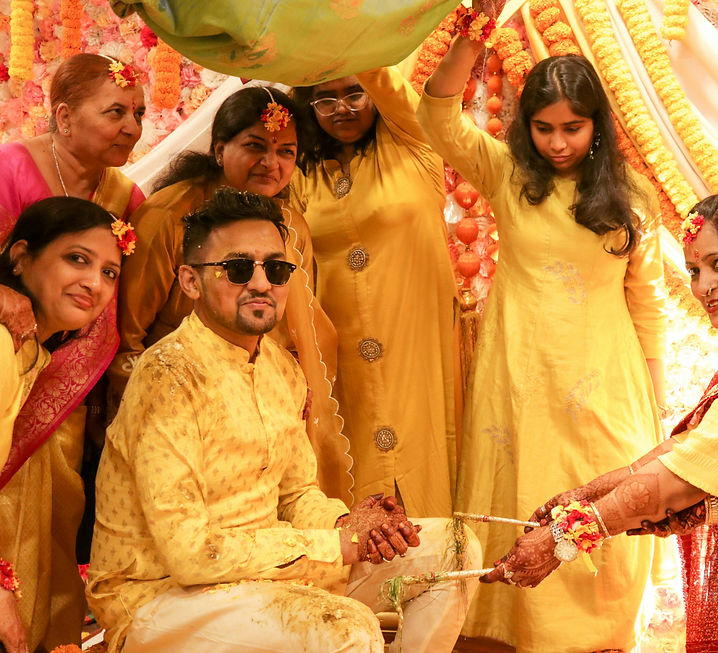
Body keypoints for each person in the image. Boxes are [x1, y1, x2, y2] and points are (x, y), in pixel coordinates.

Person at [88, 188, 480, 653]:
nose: (260, 284)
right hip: (161, 594)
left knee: (454, 547)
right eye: (237, 269)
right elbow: (189, 554)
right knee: (345, 627)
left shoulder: (280, 368)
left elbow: (295, 494)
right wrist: (338, 546)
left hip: (262, 572)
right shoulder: (168, 377)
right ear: (191, 282)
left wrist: (349, 524)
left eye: (275, 269)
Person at [480, 189, 718, 652]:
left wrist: (561, 539)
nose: (703, 286)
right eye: (694, 270)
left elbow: (694, 470)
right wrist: (584, 496)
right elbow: (698, 444)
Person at [418, 4, 669, 649]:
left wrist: (656, 396)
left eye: (574, 128)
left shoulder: (631, 197)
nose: (559, 143)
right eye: (545, 128)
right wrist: (471, 39)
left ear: (598, 127)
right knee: (517, 492)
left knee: (602, 507)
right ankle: (512, 631)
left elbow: (647, 302)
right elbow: (437, 115)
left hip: (604, 379)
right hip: (519, 374)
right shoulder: (508, 175)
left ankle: (601, 635)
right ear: (525, 128)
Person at [108, 86, 351, 500]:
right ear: (219, 150)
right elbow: (126, 340)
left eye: (287, 152)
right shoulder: (169, 218)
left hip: (265, 414)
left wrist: (291, 393)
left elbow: (297, 332)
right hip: (179, 413)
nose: (271, 164)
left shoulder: (291, 226)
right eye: (255, 146)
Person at [290, 65, 458, 518]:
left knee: (432, 490)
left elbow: (380, 73)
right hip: (342, 360)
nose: (341, 109)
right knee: (360, 496)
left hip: (416, 346)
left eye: (354, 95)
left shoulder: (412, 141)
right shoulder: (304, 174)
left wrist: (339, 25)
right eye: (325, 100)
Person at [0, 52, 145, 487]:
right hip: (7, 352)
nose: (133, 128)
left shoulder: (127, 197)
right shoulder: (11, 168)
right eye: (115, 112)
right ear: (64, 116)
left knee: (54, 507)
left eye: (138, 113)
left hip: (69, 395)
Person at [0, 197, 133, 652]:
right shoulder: (2, 348)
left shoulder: (34, 353)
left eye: (109, 273)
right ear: (20, 257)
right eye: (77, 259)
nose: (93, 283)